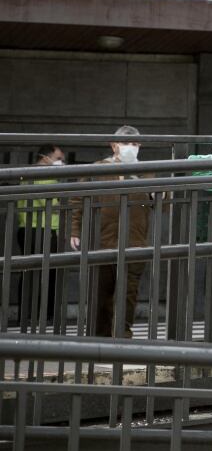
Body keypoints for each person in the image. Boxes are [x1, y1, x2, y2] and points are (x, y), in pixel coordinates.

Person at [70, 126, 150, 338]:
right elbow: (78, 199)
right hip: (102, 240)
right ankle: (99, 337)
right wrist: (76, 230)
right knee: (101, 292)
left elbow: (165, 200)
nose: (130, 148)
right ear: (114, 145)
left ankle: (122, 335)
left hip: (134, 242)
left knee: (128, 292)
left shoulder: (147, 171)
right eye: (125, 144)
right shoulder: (98, 169)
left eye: (134, 144)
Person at [15, 144, 66, 321]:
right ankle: (41, 314)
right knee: (45, 273)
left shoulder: (29, 174)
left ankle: (30, 313)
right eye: (59, 159)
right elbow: (54, 204)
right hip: (41, 230)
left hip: (31, 229)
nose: (62, 163)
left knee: (32, 271)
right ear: (45, 157)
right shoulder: (43, 176)